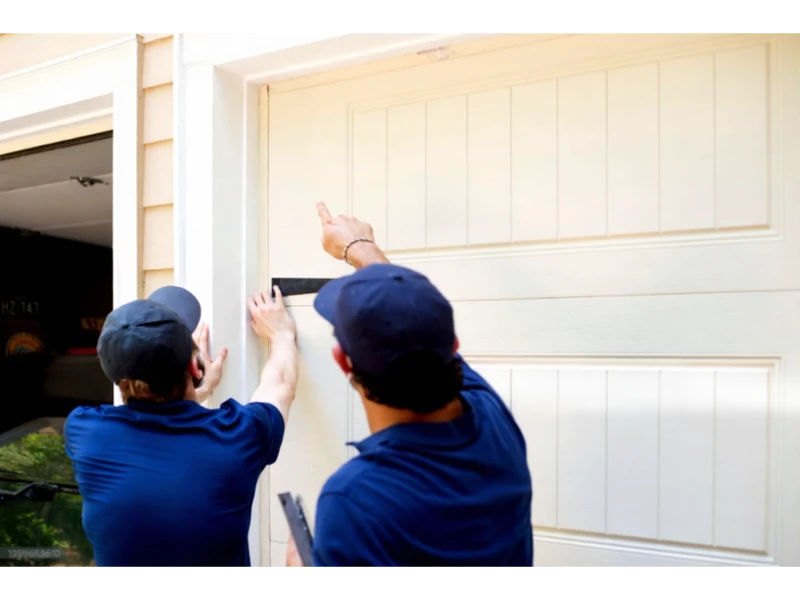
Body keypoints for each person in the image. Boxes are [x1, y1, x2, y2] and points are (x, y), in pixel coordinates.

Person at [285, 203, 533, 568]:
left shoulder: (355, 501)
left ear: (342, 361)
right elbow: (410, 315)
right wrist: (361, 247)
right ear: (452, 347)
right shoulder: (494, 425)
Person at [63, 284, 298, 568]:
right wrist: (282, 333)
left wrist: (201, 387)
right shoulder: (238, 438)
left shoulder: (85, 433)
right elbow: (281, 385)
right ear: (196, 369)